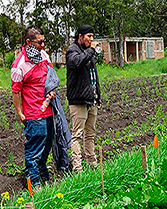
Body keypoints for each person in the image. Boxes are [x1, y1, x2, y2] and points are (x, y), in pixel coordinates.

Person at [11, 25, 56, 189]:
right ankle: (34, 185)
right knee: (34, 149)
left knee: (47, 146)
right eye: (40, 42)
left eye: (44, 41)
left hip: (48, 110)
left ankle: (44, 178)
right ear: (28, 42)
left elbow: (51, 76)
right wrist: (19, 113)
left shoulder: (43, 55)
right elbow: (16, 91)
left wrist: (52, 90)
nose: (43, 45)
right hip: (33, 114)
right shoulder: (19, 65)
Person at [66, 24, 102, 172]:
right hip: (79, 100)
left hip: (91, 99)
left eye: (92, 36)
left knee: (90, 134)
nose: (91, 39)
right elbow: (76, 62)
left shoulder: (88, 52)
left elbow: (94, 75)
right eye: (89, 36)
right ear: (80, 36)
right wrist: (91, 49)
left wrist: (98, 95)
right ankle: (78, 169)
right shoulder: (72, 51)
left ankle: (92, 165)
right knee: (77, 135)